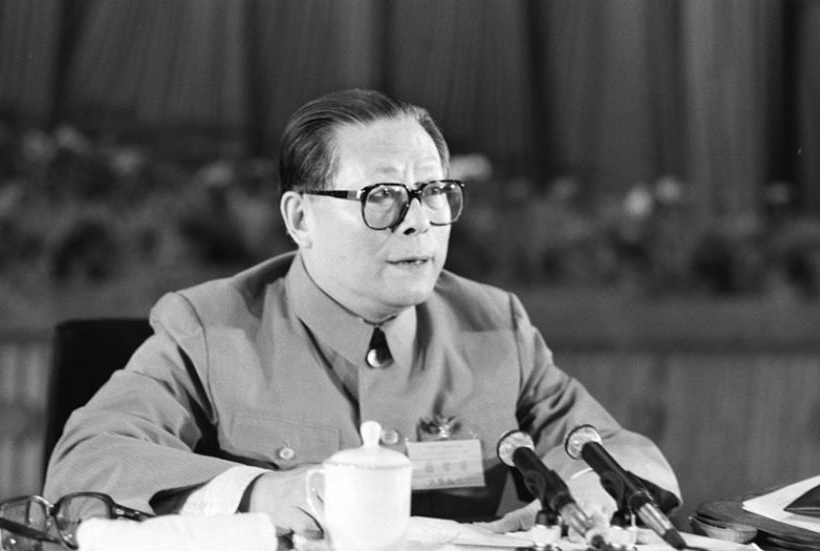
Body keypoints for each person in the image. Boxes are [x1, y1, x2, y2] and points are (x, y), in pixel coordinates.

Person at [44, 89, 680, 537]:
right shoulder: (210, 326)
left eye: (434, 192)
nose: (418, 222)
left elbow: (611, 449)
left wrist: (593, 499)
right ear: (301, 218)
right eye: (382, 196)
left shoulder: (493, 324)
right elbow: (88, 459)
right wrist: (261, 493)